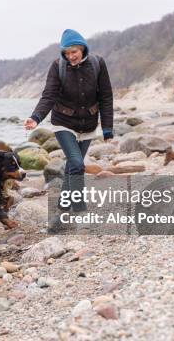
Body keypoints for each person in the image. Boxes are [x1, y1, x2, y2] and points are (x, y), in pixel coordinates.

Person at [24, 29, 114, 211]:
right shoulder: (57, 67)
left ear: (83, 49)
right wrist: (36, 117)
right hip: (63, 123)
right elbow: (48, 95)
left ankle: (63, 206)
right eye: (67, 53)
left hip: (88, 124)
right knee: (77, 163)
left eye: (74, 52)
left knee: (72, 166)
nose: (71, 56)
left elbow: (106, 96)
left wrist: (107, 128)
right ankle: (80, 209)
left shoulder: (97, 64)